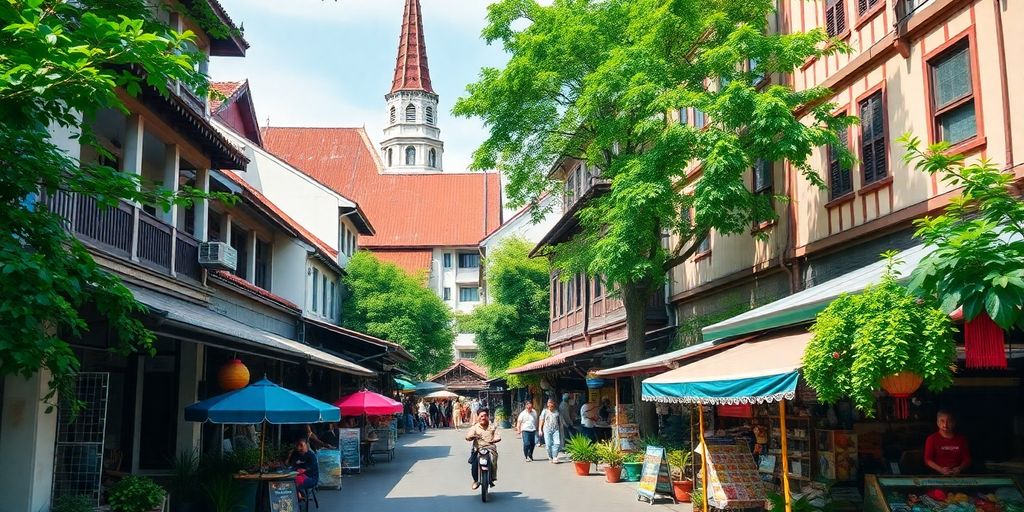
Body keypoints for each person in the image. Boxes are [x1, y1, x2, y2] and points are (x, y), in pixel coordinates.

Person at [924, 410, 971, 475]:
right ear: (938, 423)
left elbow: (967, 459)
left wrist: (959, 468)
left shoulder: (961, 439)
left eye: (949, 421)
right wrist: (940, 469)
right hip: (937, 476)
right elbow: (928, 460)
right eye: (942, 421)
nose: (945, 425)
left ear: (954, 423)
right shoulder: (931, 439)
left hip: (958, 475)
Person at [465, 410, 501, 489]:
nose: (483, 418)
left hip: (490, 448)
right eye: (481, 416)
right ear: (478, 417)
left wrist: (495, 439)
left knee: (493, 461)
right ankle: (475, 480)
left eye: (485, 416)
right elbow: (468, 435)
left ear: (487, 417)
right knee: (474, 464)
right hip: (478, 449)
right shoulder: (475, 427)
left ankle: (492, 477)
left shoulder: (492, 426)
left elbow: (497, 435)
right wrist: (472, 436)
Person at [538, 398, 563, 463]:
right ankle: (550, 456)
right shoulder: (545, 411)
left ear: (553, 404)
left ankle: (555, 457)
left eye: (552, 404)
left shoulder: (557, 412)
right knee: (548, 444)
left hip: (556, 430)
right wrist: (540, 429)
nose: (550, 405)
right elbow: (541, 420)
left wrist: (561, 429)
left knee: (557, 443)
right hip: (547, 429)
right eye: (549, 403)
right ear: (547, 404)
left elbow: (559, 422)